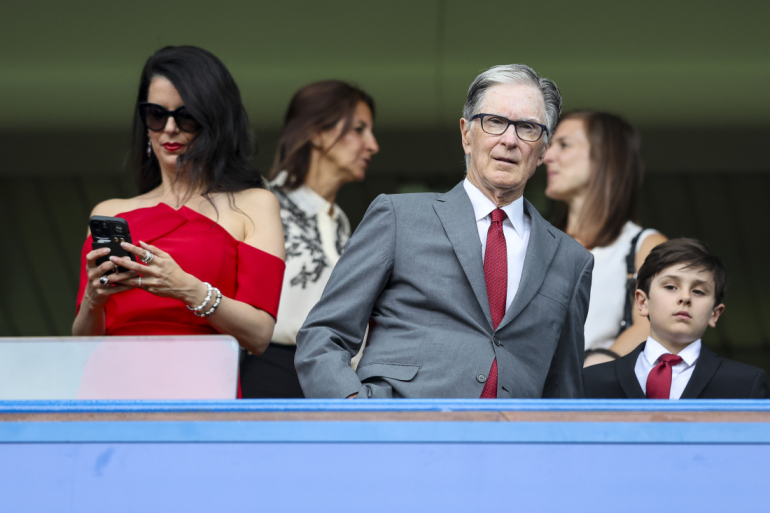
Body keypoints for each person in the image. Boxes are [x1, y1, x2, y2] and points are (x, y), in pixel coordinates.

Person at [295, 64, 593, 399]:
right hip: (400, 433)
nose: (510, 140)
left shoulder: (571, 259)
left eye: (527, 128)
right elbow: (324, 336)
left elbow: (563, 388)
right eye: (495, 122)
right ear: (467, 134)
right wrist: (359, 416)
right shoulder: (399, 217)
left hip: (511, 443)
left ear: (542, 150)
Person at [72, 46, 285, 376]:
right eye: (156, 115)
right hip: (110, 387)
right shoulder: (110, 212)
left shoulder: (253, 204)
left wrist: (186, 288)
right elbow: (82, 345)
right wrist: (93, 299)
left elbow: (258, 335)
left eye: (185, 116)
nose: (169, 128)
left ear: (214, 122)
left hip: (200, 387)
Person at [239, 81, 379, 398]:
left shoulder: (343, 224)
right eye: (359, 129)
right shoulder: (262, 204)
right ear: (316, 132)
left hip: (334, 381)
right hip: (269, 374)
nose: (372, 145)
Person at [543, 111, 667, 366]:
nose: (546, 157)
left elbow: (654, 327)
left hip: (598, 398)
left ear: (605, 157)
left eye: (564, 145)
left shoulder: (645, 246)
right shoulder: (535, 242)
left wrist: (588, 378)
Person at [583, 238, 769, 399]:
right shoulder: (591, 381)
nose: (685, 297)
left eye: (698, 291)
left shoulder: (746, 384)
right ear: (642, 302)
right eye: (671, 287)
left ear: (715, 314)